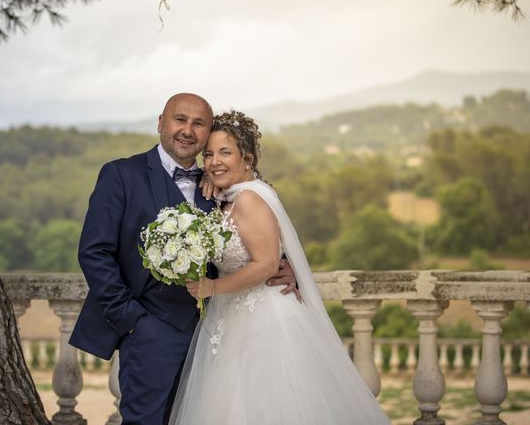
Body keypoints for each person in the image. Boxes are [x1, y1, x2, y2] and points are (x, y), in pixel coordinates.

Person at [69, 93, 297, 425]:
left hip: (212, 334)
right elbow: (94, 252)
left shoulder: (218, 186)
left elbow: (252, 231)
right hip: (148, 329)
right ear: (161, 123)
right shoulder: (121, 174)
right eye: (180, 119)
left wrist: (285, 262)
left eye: (198, 123)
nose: (187, 130)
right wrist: (132, 320)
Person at [169, 110, 392, 425]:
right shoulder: (231, 197)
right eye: (208, 155)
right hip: (231, 320)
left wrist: (212, 287)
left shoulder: (248, 199)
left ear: (247, 159)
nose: (215, 161)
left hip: (264, 321)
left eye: (225, 153)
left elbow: (267, 264)